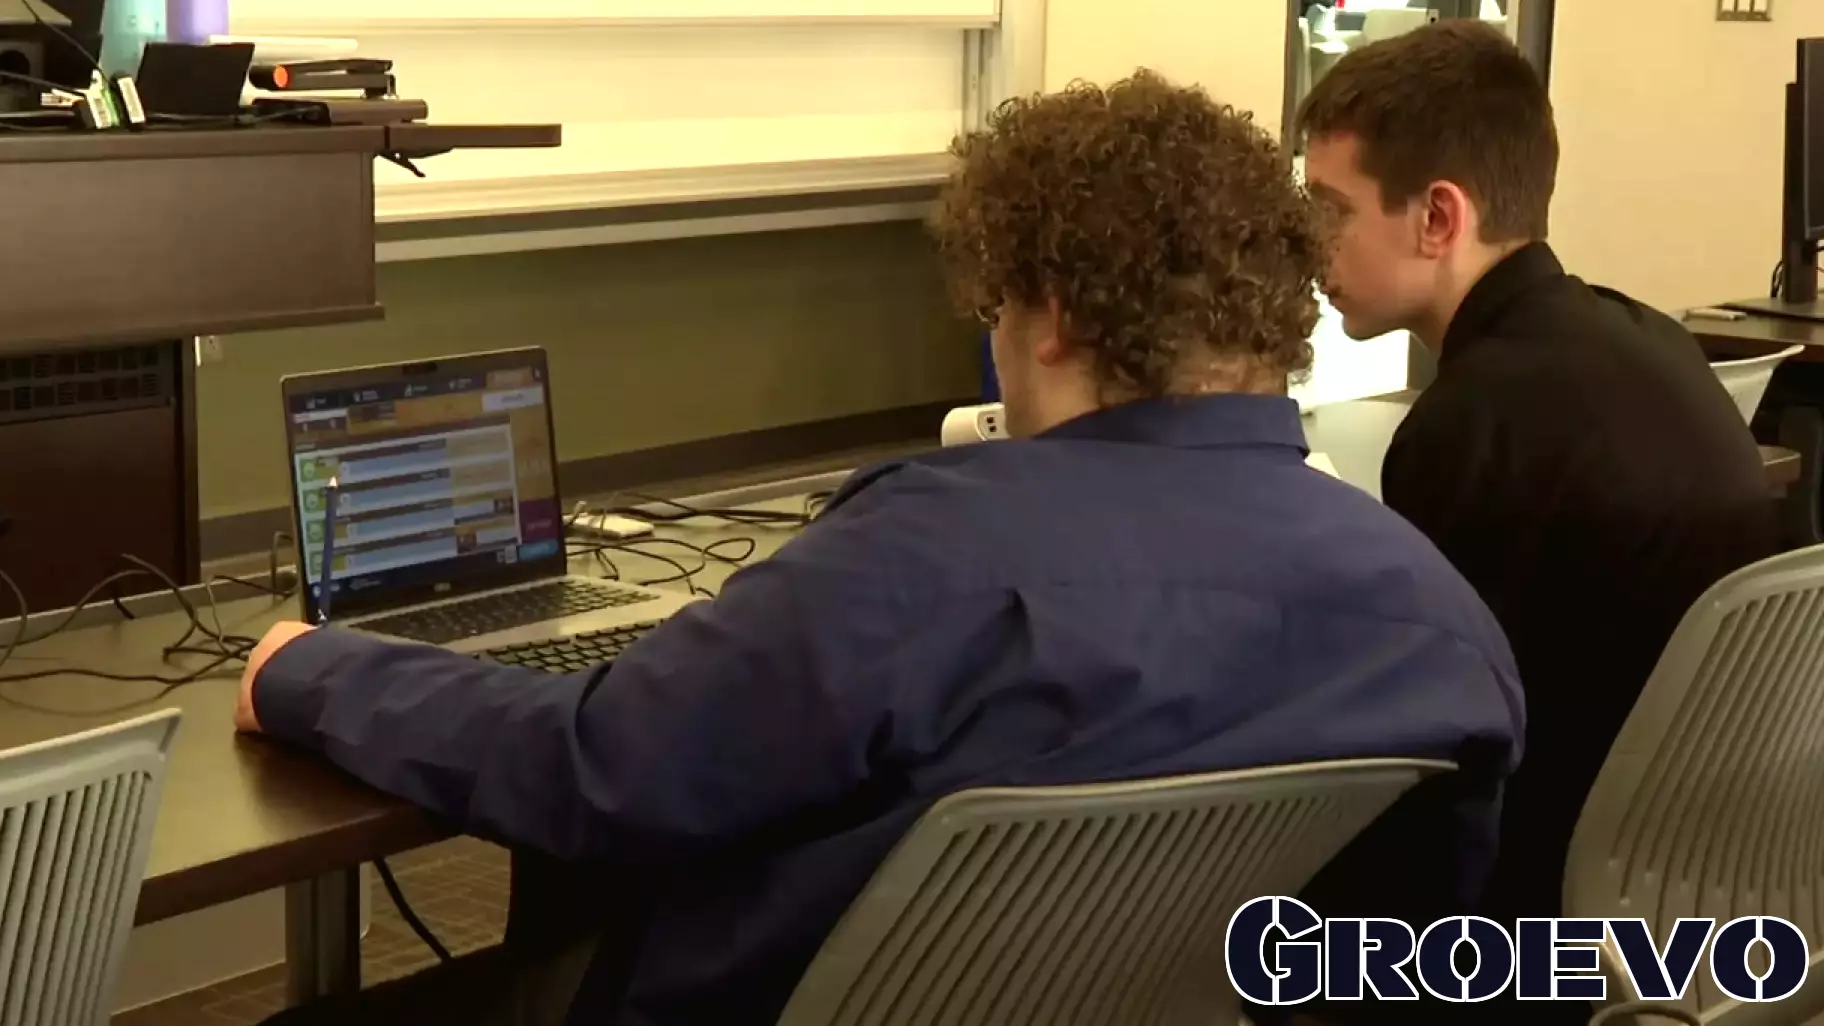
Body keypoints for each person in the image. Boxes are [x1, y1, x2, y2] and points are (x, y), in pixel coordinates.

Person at [239, 70, 1522, 1026]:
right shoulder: (1439, 625)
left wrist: (310, 671)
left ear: (1053, 317)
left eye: (995, 305)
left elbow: (601, 768)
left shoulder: (932, 555)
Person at [1296, 19, 1778, 1021]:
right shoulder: (1650, 340)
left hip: (1539, 923)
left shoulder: (1470, 426)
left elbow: (1432, 756)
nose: (1310, 247)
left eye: (1329, 211)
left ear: (1438, 216)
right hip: (1701, 891)